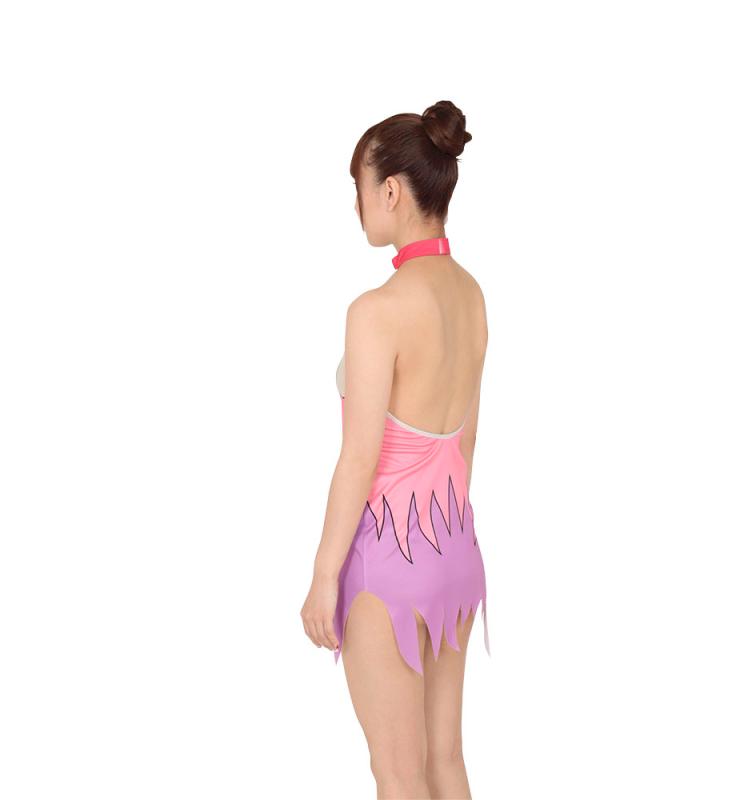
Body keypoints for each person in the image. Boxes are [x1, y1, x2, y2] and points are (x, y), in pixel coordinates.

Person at [300, 99, 490, 799]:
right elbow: (466, 442)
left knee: (399, 773)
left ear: (389, 191)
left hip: (388, 561)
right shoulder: (470, 295)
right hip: (454, 548)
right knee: (445, 760)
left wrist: (325, 575)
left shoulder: (376, 311)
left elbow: (360, 458)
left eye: (357, 188)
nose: (355, 207)